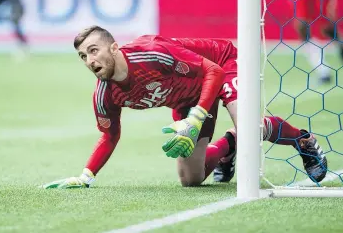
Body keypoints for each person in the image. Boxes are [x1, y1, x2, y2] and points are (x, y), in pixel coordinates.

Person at [43, 26, 328, 189]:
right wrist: (86, 176)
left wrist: (196, 116)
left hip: (221, 65)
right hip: (188, 99)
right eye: (82, 56)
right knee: (190, 179)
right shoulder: (106, 94)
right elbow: (109, 136)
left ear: (114, 48)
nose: (89, 60)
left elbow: (213, 72)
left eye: (93, 50)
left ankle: (303, 141)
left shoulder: (151, 54)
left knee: (250, 128)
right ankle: (229, 147)